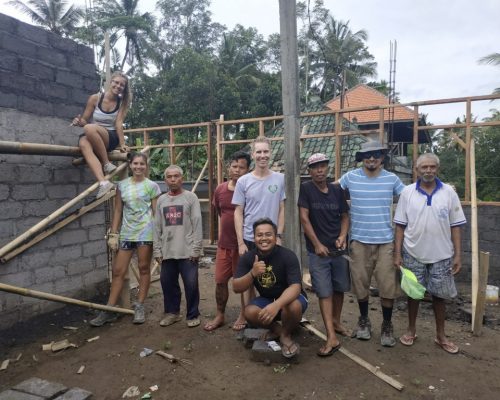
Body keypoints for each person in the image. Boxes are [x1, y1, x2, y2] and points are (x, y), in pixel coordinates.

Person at [394, 153, 466, 354]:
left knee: (440, 296)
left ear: (438, 169)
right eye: (424, 167)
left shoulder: (449, 193)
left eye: (432, 167)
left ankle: (441, 335)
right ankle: (411, 330)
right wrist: (397, 253)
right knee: (413, 294)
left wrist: (458, 255)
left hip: (442, 254)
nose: (428, 171)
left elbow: (456, 226)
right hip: (412, 252)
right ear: (417, 170)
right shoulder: (407, 192)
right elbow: (400, 226)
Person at [339, 139, 405, 347]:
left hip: (386, 241)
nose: (371, 158)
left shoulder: (391, 179)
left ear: (382, 157)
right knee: (360, 285)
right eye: (367, 155)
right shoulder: (350, 178)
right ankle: (364, 320)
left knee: (388, 287)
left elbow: (409, 197)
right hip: (359, 241)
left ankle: (387, 324)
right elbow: (331, 192)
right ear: (361, 158)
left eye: (376, 155)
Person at [90, 152, 161, 326]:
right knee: (118, 271)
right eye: (135, 164)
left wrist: (159, 236)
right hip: (127, 233)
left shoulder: (152, 186)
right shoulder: (122, 185)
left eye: (142, 164)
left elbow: (156, 213)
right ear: (130, 165)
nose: (138, 167)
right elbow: (118, 211)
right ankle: (110, 309)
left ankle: (139, 305)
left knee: (144, 268)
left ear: (146, 166)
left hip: (146, 232)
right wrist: (114, 233)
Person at [233, 218, 308, 359]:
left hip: (290, 299)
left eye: (268, 234)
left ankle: (285, 336)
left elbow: (296, 287)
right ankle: (279, 330)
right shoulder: (249, 258)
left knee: (293, 306)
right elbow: (236, 287)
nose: (264, 238)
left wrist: (277, 304)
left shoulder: (288, 256)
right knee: (249, 312)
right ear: (254, 238)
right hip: (266, 299)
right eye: (259, 235)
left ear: (275, 237)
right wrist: (252, 273)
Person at [298, 153, 350, 357]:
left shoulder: (337, 190)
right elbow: (304, 218)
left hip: (338, 249)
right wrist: (317, 244)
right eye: (314, 167)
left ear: (328, 168)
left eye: (322, 166)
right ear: (309, 171)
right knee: (324, 291)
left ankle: (336, 322)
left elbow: (345, 216)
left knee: (339, 289)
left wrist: (343, 236)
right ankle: (331, 336)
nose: (319, 170)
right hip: (318, 252)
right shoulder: (307, 189)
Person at [204, 151, 252, 332]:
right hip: (224, 245)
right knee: (220, 281)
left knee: (242, 282)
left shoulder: (250, 189)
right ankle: (220, 315)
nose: (237, 170)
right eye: (234, 166)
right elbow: (219, 213)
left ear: (248, 170)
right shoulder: (220, 189)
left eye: (242, 167)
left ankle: (243, 313)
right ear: (228, 168)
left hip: (243, 245)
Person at [153, 165, 203, 328]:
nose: (173, 179)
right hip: (167, 251)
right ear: (165, 180)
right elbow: (157, 227)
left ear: (182, 178)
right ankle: (172, 313)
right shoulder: (161, 200)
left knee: (191, 284)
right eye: (169, 177)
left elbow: (197, 223)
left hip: (187, 251)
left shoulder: (191, 197)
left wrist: (196, 249)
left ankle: (193, 314)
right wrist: (157, 249)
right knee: (167, 284)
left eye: (176, 176)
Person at [73, 71, 131, 199]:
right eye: (116, 82)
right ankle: (103, 182)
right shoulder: (95, 98)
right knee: (83, 143)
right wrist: (78, 121)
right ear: (110, 82)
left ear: (124, 88)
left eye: (122, 85)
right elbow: (84, 120)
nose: (118, 86)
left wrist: (122, 144)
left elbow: (119, 124)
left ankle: (106, 163)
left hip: (110, 137)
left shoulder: (122, 103)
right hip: (94, 135)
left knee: (89, 128)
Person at [232, 136, 285, 255]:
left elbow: (282, 209)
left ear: (270, 153)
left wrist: (279, 236)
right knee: (250, 273)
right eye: (259, 152)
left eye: (265, 151)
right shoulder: (243, 181)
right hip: (250, 239)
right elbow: (238, 212)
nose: (262, 155)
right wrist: (241, 243)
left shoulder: (280, 179)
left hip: (272, 239)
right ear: (252, 154)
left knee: (272, 273)